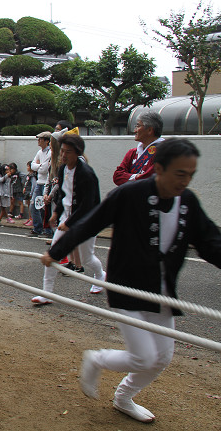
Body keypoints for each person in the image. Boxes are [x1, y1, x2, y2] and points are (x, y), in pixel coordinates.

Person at [40, 138, 221, 423]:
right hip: (126, 287)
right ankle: (97, 359)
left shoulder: (187, 201)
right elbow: (92, 222)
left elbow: (211, 242)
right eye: (179, 173)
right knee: (144, 357)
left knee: (162, 358)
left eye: (190, 174)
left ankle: (124, 397)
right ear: (159, 169)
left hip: (161, 292)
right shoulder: (129, 194)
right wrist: (56, 251)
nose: (185, 181)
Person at [31, 133, 106, 304]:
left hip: (86, 221)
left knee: (87, 258)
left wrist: (69, 223)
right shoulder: (63, 169)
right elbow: (63, 194)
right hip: (66, 218)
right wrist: (56, 213)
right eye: (62, 151)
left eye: (68, 152)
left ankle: (100, 275)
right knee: (53, 254)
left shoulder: (86, 174)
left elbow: (88, 205)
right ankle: (47, 294)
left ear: (77, 153)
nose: (64, 155)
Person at [113, 111, 164, 186]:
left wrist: (129, 177)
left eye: (138, 126)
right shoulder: (132, 152)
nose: (135, 130)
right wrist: (137, 177)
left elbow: (149, 179)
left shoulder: (163, 153)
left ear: (150, 130)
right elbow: (117, 176)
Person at [30, 131, 52, 237]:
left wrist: (38, 166)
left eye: (41, 139)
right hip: (39, 183)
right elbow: (32, 165)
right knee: (33, 205)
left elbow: (45, 169)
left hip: (46, 183)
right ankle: (37, 228)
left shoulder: (50, 153)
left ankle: (48, 230)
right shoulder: (39, 152)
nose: (38, 141)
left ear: (47, 141)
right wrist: (39, 166)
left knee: (45, 207)